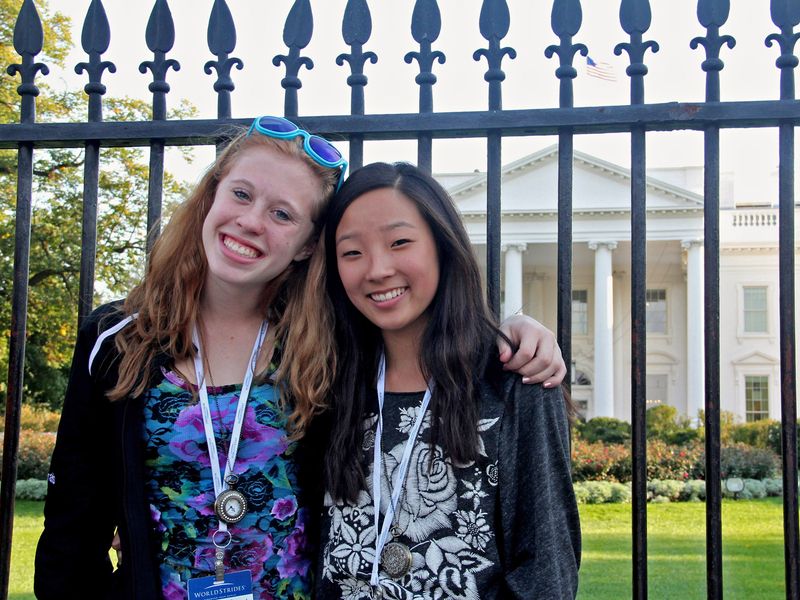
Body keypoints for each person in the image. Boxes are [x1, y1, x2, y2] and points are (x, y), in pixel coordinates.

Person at [34, 117, 566, 600]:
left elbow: (418, 326)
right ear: (210, 197)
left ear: (310, 245)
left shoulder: (326, 344)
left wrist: (516, 329)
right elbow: (72, 532)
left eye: (283, 214)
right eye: (240, 194)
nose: (250, 222)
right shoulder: (118, 339)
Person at [318, 162, 581, 599]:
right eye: (352, 252)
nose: (377, 269)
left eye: (399, 242)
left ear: (443, 246)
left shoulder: (514, 379)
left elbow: (546, 568)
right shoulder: (329, 380)